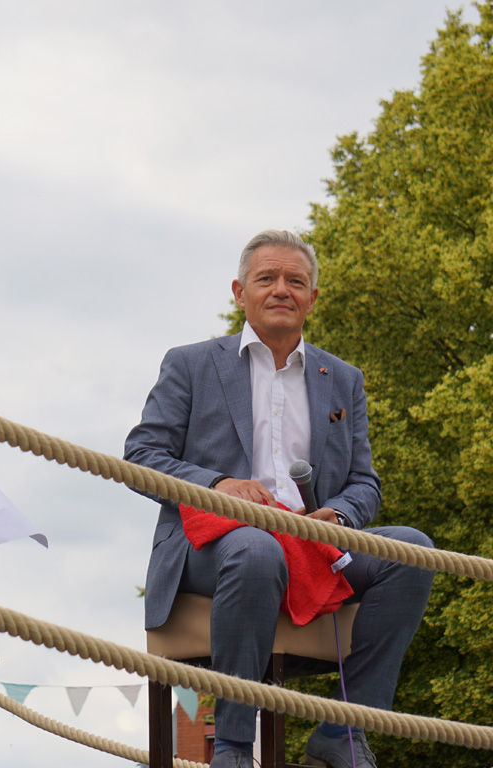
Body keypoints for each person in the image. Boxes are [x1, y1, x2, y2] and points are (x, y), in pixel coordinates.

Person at [123, 230, 434, 768]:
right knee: (255, 548)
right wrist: (219, 486)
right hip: (210, 544)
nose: (281, 290)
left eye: (296, 281)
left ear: (314, 298)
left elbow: (365, 482)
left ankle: (345, 730)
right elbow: (140, 457)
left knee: (412, 551)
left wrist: (340, 514)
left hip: (314, 543)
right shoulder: (191, 363)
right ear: (240, 292)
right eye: (267, 278)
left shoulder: (343, 379)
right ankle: (235, 748)